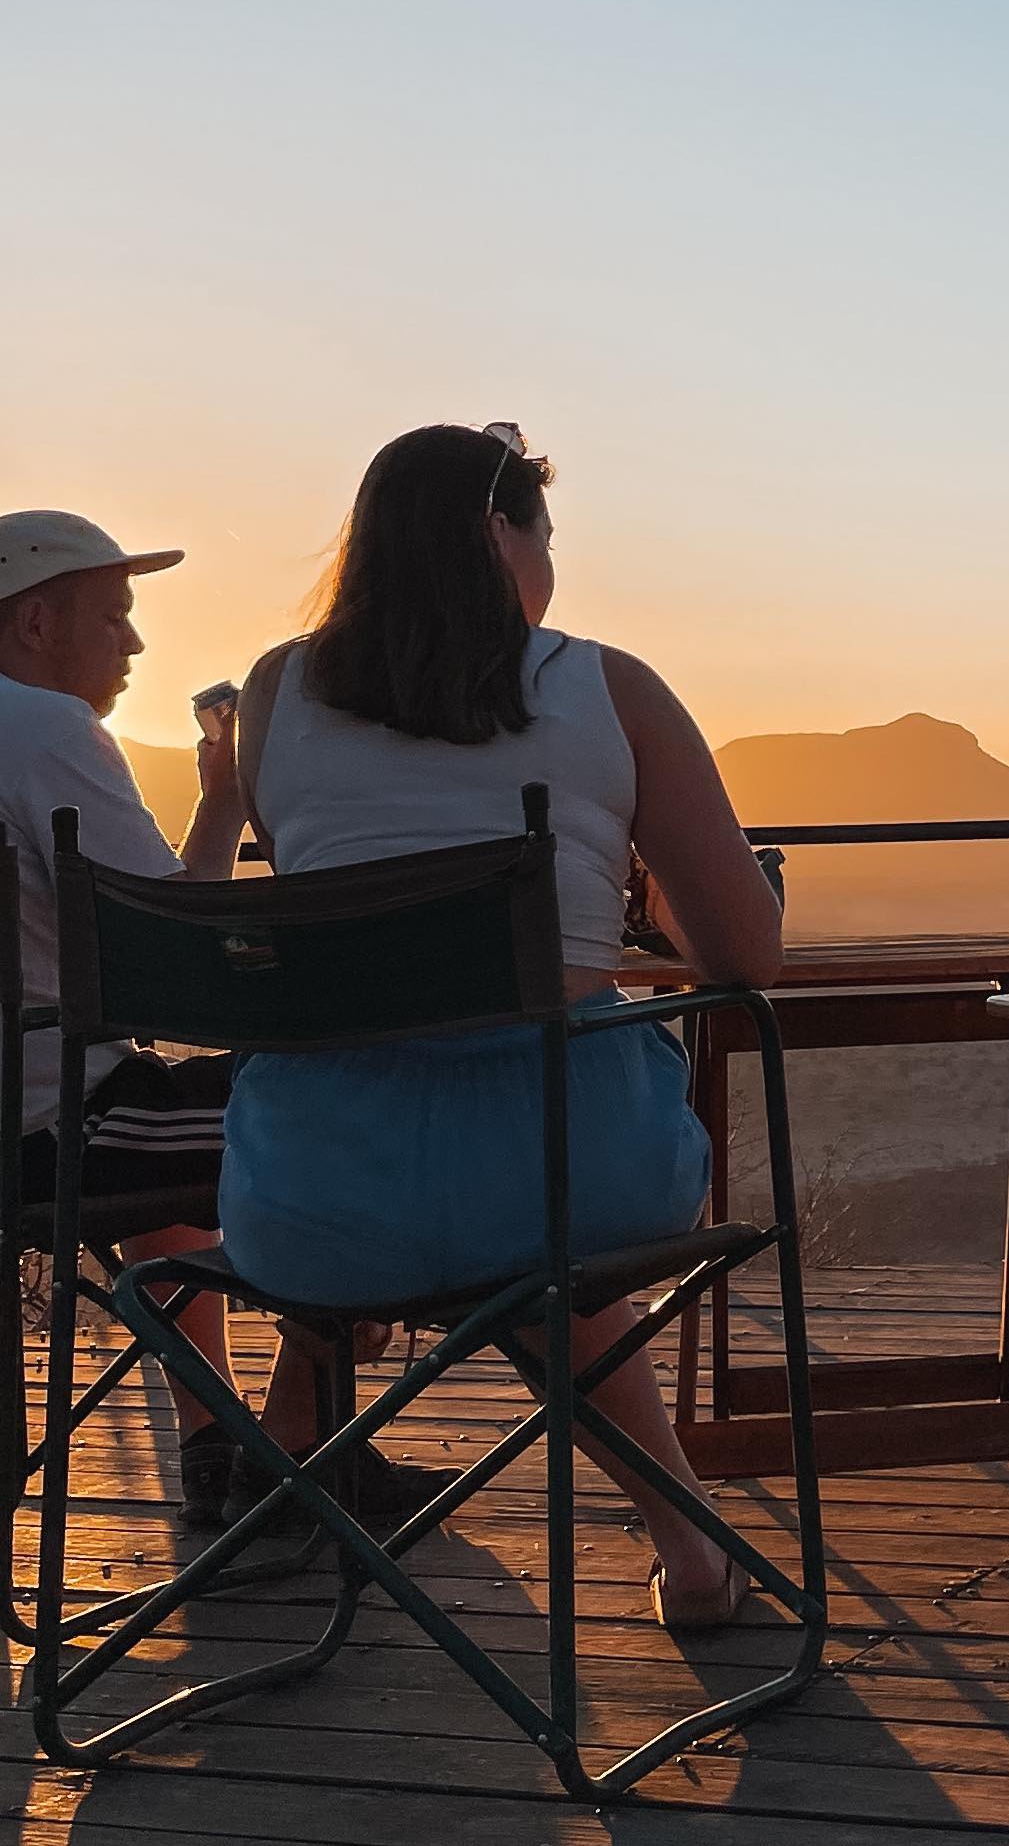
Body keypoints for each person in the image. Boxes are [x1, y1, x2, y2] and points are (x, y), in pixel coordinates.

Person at [231, 422, 783, 1633]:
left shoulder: (276, 690)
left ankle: (295, 1488)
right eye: (546, 537)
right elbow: (746, 956)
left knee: (495, 1157)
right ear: (500, 536)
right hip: (577, 1167)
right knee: (536, 1176)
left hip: (321, 1184)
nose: (552, 569)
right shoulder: (608, 686)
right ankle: (691, 1547)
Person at [1, 508, 258, 1525]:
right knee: (335, 1107)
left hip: (58, 1108)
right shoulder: (48, 729)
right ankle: (291, 1447)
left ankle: (218, 1446)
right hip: (48, 1130)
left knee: (170, 1117)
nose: (137, 645)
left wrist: (218, 809)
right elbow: (182, 962)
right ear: (34, 626)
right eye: (114, 618)